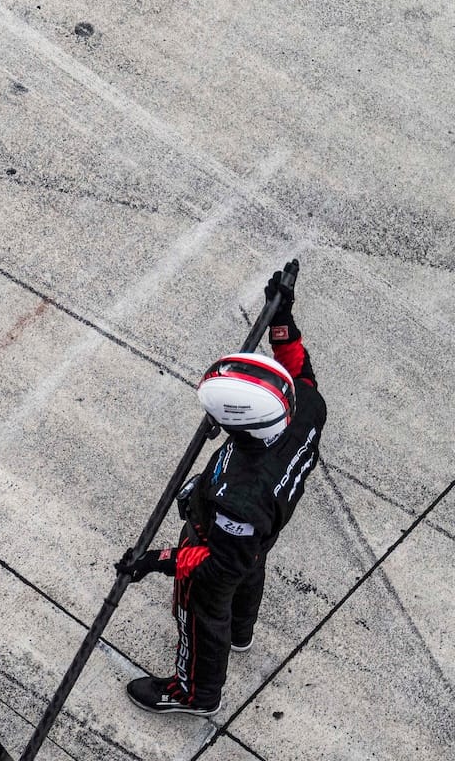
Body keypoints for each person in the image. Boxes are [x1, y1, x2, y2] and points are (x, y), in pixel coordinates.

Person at [117, 268, 326, 715]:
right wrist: (281, 318)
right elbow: (297, 368)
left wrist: (155, 562)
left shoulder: (240, 500)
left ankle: (195, 694)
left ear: (245, 429)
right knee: (251, 569)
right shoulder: (306, 405)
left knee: (201, 614)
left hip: (228, 542)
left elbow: (216, 561)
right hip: (258, 537)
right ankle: (241, 632)